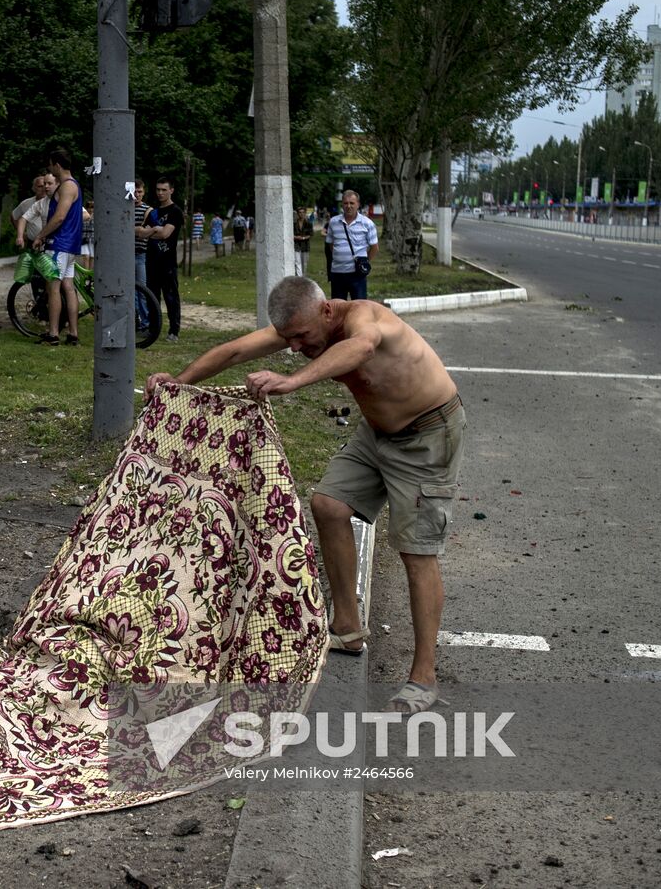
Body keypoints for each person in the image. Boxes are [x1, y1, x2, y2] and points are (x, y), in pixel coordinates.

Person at [146, 275, 464, 714]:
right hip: (376, 434)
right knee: (328, 505)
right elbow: (236, 349)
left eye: (301, 337)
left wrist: (293, 381)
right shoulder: (304, 325)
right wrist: (179, 382)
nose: (294, 346)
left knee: (416, 551)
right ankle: (348, 626)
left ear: (327, 311)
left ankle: (423, 677)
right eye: (288, 339)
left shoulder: (365, 319)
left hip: (427, 435)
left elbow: (362, 349)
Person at [30, 149, 83, 346]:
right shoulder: (74, 185)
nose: (50, 169)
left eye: (51, 166)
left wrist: (40, 235)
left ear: (57, 166)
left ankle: (53, 333)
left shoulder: (66, 187)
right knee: (68, 288)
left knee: (53, 288)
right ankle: (73, 333)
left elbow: (59, 217)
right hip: (71, 246)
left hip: (60, 244)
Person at [11, 173, 61, 306]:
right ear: (34, 188)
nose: (44, 188)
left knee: (58, 281)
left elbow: (84, 215)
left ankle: (60, 315)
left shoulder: (61, 201)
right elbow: (17, 217)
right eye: (41, 185)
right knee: (36, 277)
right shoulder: (29, 203)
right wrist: (21, 235)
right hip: (35, 244)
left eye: (48, 184)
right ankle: (41, 307)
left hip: (57, 243)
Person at [145, 177, 185, 342]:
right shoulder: (153, 212)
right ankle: (153, 329)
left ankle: (173, 331)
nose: (160, 193)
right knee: (152, 297)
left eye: (164, 190)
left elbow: (165, 233)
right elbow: (139, 231)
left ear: (171, 190)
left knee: (170, 297)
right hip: (151, 260)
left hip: (167, 262)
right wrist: (154, 229)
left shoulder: (175, 211)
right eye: (158, 189)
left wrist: (151, 231)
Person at [324, 190, 378, 300]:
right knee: (338, 309)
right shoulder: (333, 222)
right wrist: (341, 256)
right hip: (337, 273)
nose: (348, 206)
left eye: (352, 203)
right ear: (342, 205)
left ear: (358, 204)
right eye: (346, 203)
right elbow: (330, 245)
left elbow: (374, 248)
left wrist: (364, 262)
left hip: (357, 274)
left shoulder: (367, 223)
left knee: (359, 309)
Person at [292, 207, 312, 277]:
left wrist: (303, 238)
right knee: (297, 262)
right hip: (296, 245)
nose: (301, 214)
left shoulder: (308, 223)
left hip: (305, 245)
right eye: (300, 212)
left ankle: (303, 277)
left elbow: (310, 234)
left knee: (304, 263)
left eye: (303, 212)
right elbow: (291, 234)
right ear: (297, 214)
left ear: (305, 213)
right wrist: (295, 237)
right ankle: (299, 277)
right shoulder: (294, 223)